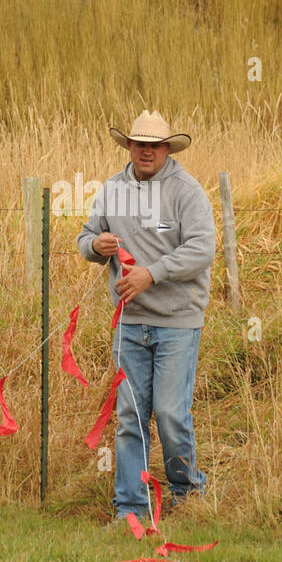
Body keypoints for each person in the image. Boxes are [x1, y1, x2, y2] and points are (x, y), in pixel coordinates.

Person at [78, 110, 216, 526]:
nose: (146, 151)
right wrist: (95, 245)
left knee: (172, 413)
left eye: (154, 145)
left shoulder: (187, 192)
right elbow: (84, 238)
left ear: (166, 148)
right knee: (130, 415)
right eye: (139, 144)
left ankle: (186, 493)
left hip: (177, 320)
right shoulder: (113, 190)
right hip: (130, 323)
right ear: (130, 147)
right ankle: (131, 508)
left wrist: (151, 274)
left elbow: (202, 249)